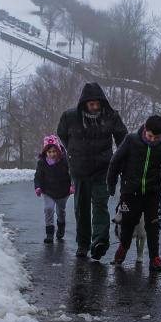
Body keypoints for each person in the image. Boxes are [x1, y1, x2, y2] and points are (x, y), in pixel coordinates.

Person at [57, 82, 127, 260]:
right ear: (84, 103)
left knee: (100, 205)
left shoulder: (111, 116)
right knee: (81, 208)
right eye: (91, 104)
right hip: (79, 169)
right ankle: (83, 243)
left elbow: (123, 139)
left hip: (103, 169)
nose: (95, 107)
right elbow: (62, 134)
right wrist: (73, 152)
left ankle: (100, 242)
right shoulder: (70, 117)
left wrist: (121, 160)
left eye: (98, 103)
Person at [107, 115, 161, 272]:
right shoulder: (131, 140)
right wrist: (111, 183)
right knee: (128, 222)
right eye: (150, 136)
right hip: (130, 191)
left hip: (152, 192)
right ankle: (122, 249)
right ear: (145, 130)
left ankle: (154, 258)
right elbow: (115, 161)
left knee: (153, 225)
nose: (152, 140)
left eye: (156, 137)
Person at [34, 135, 74, 243]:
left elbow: (72, 174)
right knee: (48, 209)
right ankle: (49, 234)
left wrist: (72, 186)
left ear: (58, 151)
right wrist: (38, 187)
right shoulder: (42, 163)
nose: (52, 154)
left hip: (63, 192)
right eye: (49, 152)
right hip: (48, 191)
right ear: (45, 152)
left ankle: (61, 228)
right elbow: (38, 176)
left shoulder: (65, 161)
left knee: (61, 212)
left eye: (54, 151)